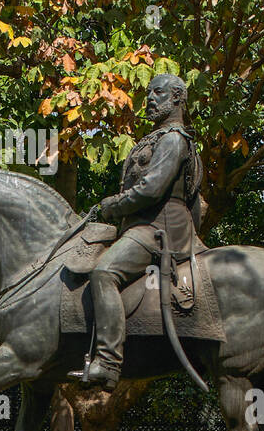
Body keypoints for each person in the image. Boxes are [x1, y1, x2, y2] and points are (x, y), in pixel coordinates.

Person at [69, 73, 204, 391]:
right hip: (145, 225)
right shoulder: (158, 138)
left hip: (157, 229)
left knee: (103, 271)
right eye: (148, 94)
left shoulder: (173, 138)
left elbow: (151, 189)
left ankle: (108, 362)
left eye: (157, 93)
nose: (150, 99)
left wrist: (113, 205)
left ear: (176, 99)